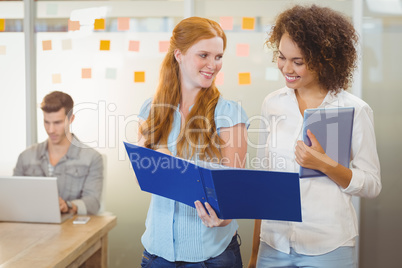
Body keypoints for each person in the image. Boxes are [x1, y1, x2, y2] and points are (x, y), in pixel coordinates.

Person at [248, 5, 381, 268]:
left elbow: (372, 184)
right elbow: (264, 181)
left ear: (325, 60)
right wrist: (254, 254)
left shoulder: (354, 109)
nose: (286, 68)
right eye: (281, 57)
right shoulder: (272, 104)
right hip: (273, 244)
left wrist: (324, 164)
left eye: (298, 62)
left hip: (328, 247)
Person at [137, 17, 249, 267]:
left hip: (211, 257)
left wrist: (226, 216)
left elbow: (235, 191)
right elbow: (143, 178)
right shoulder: (150, 110)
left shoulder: (229, 115)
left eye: (218, 57)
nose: (213, 65)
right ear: (178, 54)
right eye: (204, 55)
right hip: (156, 254)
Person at [13, 91, 104, 215]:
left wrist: (68, 205)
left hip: (71, 228)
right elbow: (13, 197)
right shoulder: (25, 157)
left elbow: (93, 203)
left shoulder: (92, 158)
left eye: (57, 123)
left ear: (71, 118)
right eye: (46, 122)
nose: (51, 130)